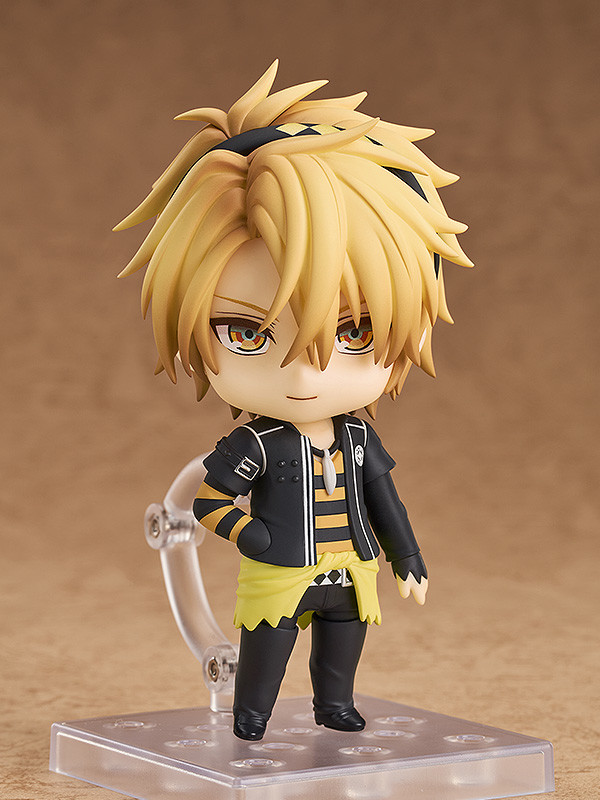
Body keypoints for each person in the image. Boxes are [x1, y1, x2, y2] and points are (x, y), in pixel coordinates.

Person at [115, 60, 472, 741]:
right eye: (248, 334)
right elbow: (208, 501)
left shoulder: (358, 439)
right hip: (279, 569)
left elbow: (386, 501)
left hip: (350, 566)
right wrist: (252, 535)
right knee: (267, 650)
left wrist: (407, 557)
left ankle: (334, 706)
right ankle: (250, 716)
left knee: (343, 644)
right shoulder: (254, 443)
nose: (305, 372)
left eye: (354, 331)